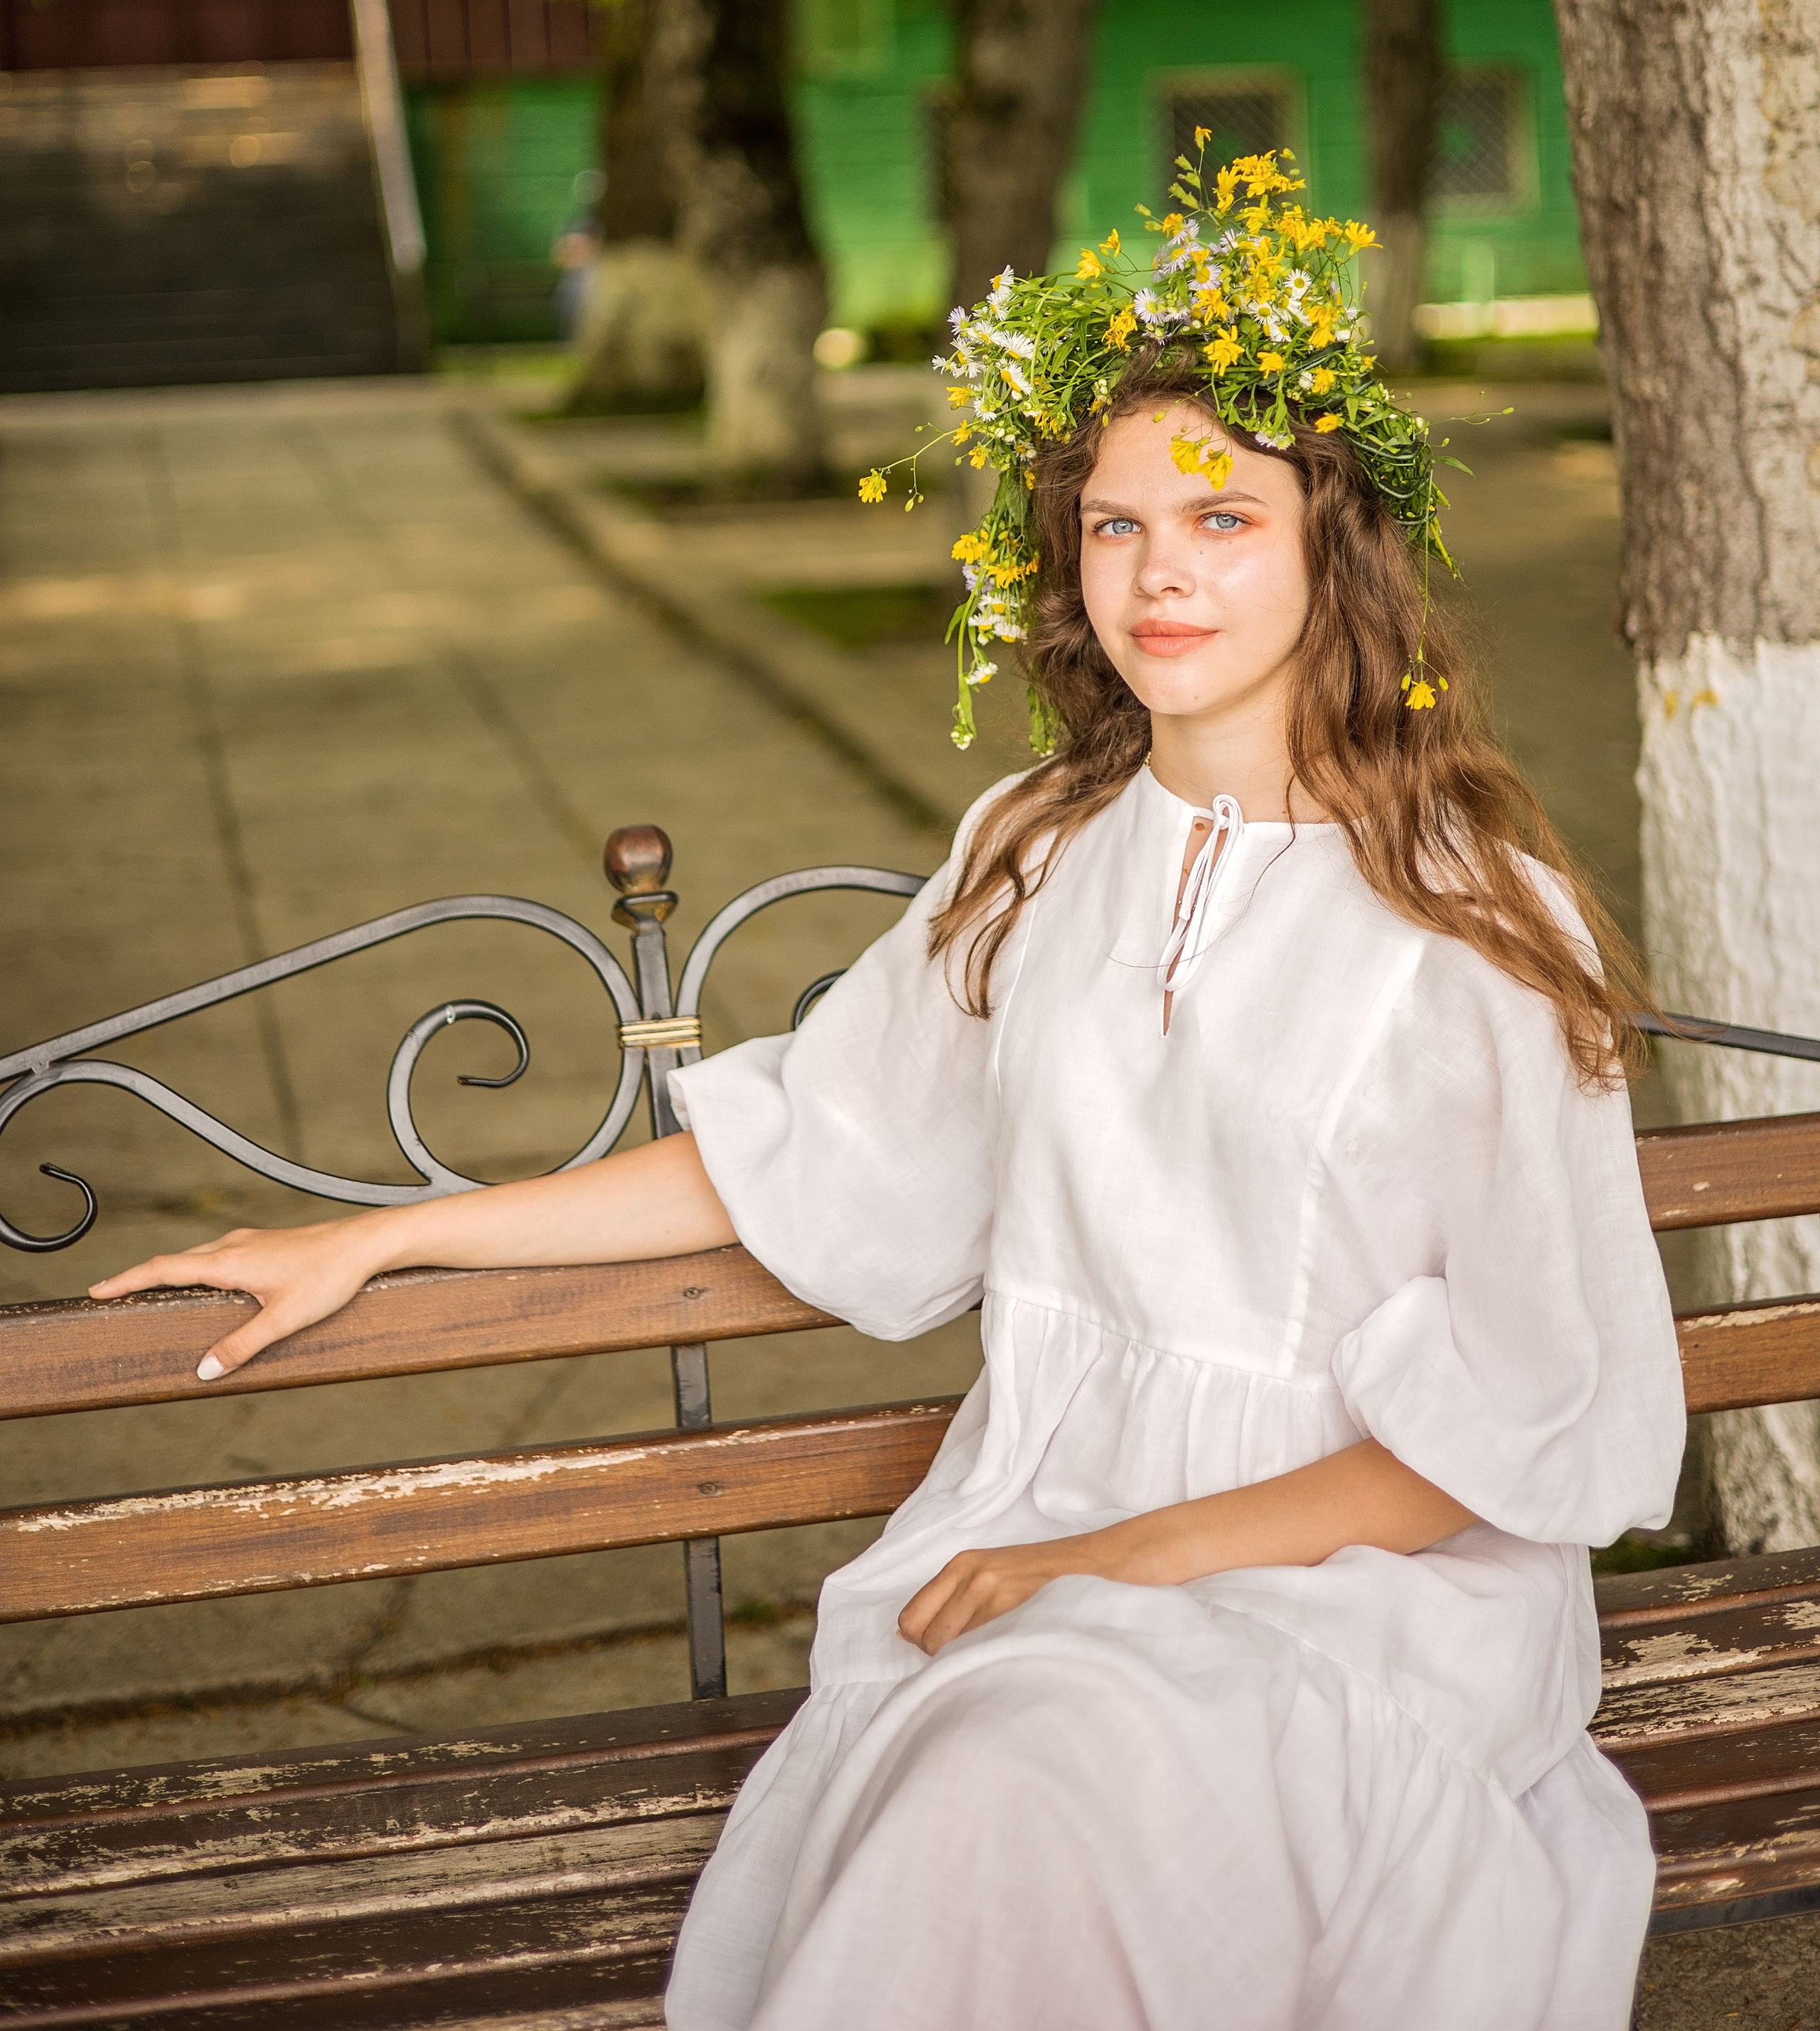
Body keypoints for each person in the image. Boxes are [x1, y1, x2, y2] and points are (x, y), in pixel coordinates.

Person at [95, 150, 1685, 2031]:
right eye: (1111, 528)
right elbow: (806, 1147)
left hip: (1356, 1587)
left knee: (1050, 1755)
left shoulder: (1470, 912)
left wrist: (1108, 1559)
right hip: (1046, 1538)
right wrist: (393, 1238)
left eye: (1223, 521)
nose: (1160, 574)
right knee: (1019, 1767)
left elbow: (1510, 1434)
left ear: (1334, 551)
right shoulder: (1035, 844)